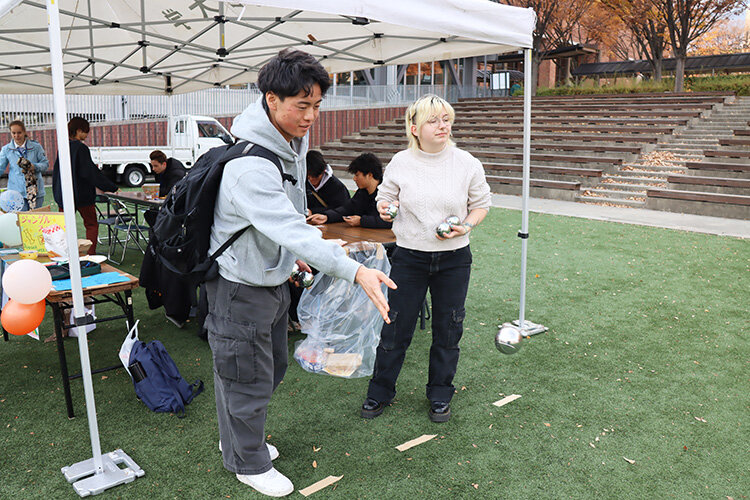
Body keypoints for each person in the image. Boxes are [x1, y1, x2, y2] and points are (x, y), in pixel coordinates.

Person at [205, 49, 396, 498]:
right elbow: (290, 225)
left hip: (270, 277)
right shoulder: (250, 164)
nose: (311, 116)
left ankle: (237, 441)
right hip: (239, 286)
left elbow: (289, 218)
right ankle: (247, 463)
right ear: (271, 99)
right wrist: (355, 271)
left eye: (316, 105)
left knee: (263, 368)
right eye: (301, 105)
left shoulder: (287, 141)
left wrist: (294, 256)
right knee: (246, 375)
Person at [360, 94, 491, 423]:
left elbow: (481, 204)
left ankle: (439, 395)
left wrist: (466, 226)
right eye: (433, 120)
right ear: (414, 127)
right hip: (409, 258)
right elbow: (385, 199)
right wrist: (385, 207)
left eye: (446, 118)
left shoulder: (467, 163)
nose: (442, 125)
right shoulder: (401, 162)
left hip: (454, 260)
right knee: (395, 328)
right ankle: (380, 392)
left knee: (449, 329)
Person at [52, 116, 118, 255]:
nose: (87, 135)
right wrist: (111, 186)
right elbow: (90, 172)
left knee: (64, 227)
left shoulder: (62, 147)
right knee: (91, 224)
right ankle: (90, 254)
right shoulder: (81, 148)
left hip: (64, 195)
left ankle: (63, 253)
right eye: (85, 131)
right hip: (82, 194)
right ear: (79, 130)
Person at [307, 152, 392, 229]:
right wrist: (327, 217)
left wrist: (362, 221)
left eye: (357, 175)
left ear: (369, 175)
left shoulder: (388, 193)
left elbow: (391, 220)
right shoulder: (362, 192)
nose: (354, 179)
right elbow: (347, 208)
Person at [0, 120, 49, 210]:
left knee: (35, 220)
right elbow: (0, 167)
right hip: (16, 193)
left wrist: (34, 166)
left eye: (19, 133)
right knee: (20, 221)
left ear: (24, 132)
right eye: (13, 133)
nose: (16, 136)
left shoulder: (36, 147)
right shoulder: (6, 149)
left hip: (36, 192)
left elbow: (45, 164)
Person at [305, 150, 350, 214]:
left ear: (323, 171)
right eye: (309, 176)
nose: (311, 179)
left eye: (316, 177)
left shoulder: (338, 187)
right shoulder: (303, 182)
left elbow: (342, 209)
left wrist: (313, 212)